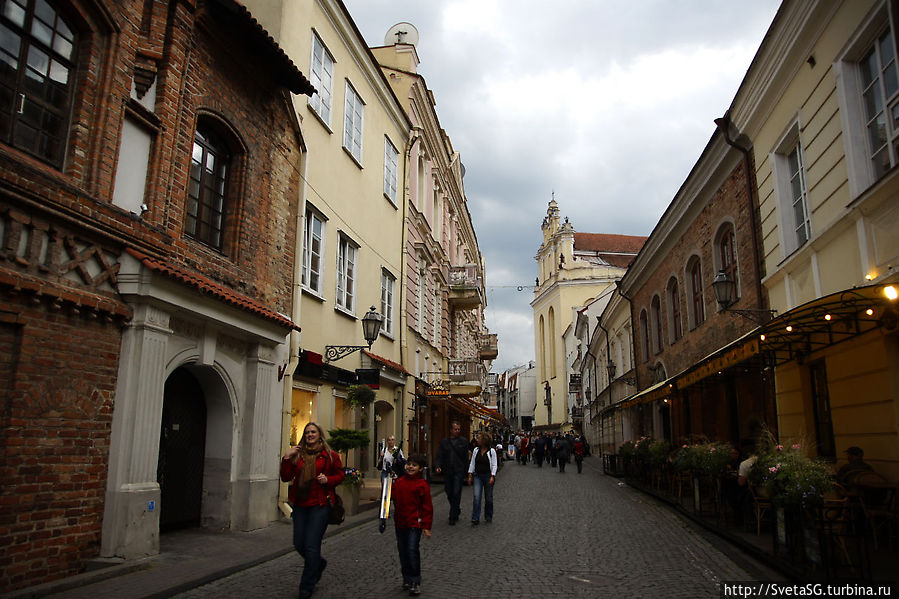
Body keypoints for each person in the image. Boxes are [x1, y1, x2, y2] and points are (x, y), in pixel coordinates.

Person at [280, 422, 345, 599]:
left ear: (319, 434)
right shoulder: (298, 455)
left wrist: (328, 480)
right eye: (307, 432)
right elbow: (286, 477)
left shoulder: (329, 455)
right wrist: (287, 457)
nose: (310, 435)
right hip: (300, 504)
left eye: (313, 432)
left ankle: (306, 586)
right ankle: (319, 564)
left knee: (311, 546)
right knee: (299, 543)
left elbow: (340, 475)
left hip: (320, 505)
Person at [391, 453, 433, 596]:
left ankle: (415, 580)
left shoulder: (422, 485)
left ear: (420, 469)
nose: (410, 467)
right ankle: (407, 578)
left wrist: (426, 526)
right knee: (403, 551)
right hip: (400, 522)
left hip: (415, 523)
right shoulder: (399, 483)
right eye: (409, 464)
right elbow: (393, 498)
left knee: (412, 550)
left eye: (414, 465)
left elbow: (427, 507)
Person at [435, 421, 470, 525]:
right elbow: (440, 455)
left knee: (456, 492)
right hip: (448, 470)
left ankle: (452, 516)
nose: (457, 431)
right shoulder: (444, 442)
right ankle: (456, 508)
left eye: (459, 429)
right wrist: (438, 466)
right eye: (455, 429)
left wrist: (467, 472)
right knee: (448, 491)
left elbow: (465, 458)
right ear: (451, 430)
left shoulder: (463, 442)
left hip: (458, 470)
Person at [467, 433, 498, 525]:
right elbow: (472, 463)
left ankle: (488, 515)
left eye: (479, 439)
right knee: (477, 497)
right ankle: (475, 517)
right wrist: (470, 474)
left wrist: (492, 476)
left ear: (484, 441)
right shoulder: (476, 450)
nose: (478, 440)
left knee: (488, 498)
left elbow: (494, 465)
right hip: (478, 476)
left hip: (488, 476)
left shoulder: (491, 451)